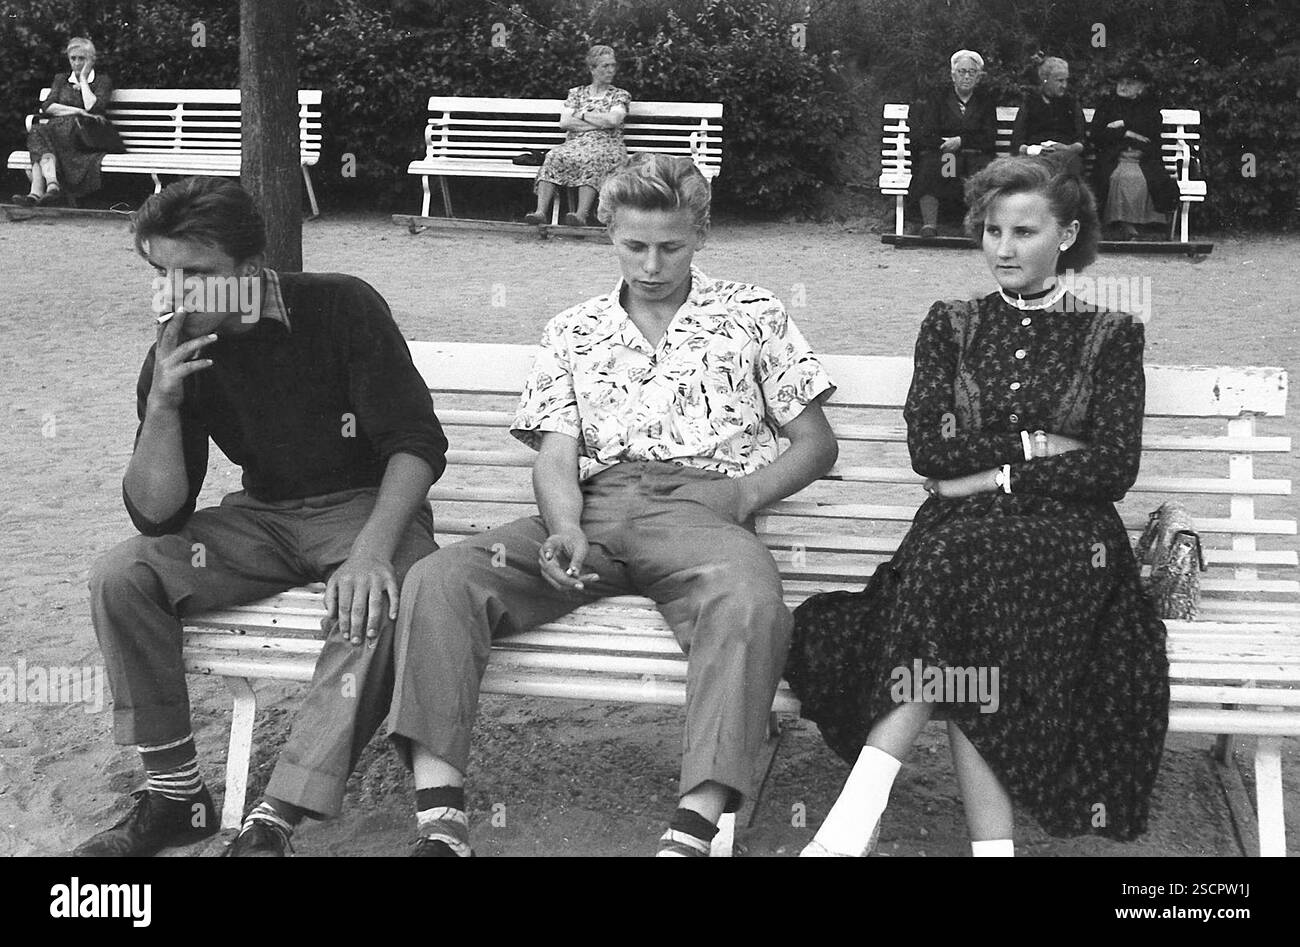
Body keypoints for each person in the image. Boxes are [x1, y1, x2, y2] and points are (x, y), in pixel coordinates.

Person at [389, 153, 839, 857]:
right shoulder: (574, 328)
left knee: (749, 600)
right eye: (635, 245)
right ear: (608, 233)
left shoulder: (753, 313)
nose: (652, 265)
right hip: (593, 508)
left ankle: (692, 829)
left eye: (672, 246)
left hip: (700, 511)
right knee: (441, 578)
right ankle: (440, 820)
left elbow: (816, 443)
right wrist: (564, 526)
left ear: (701, 234)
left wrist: (741, 494)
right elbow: (557, 453)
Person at [784, 155, 1169, 857]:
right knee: (964, 584)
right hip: (958, 535)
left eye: (1024, 231)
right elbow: (931, 450)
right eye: (992, 230)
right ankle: (986, 849)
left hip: (1067, 544)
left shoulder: (1111, 333)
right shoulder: (952, 324)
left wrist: (991, 477)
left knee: (959, 579)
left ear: (1067, 234)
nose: (1003, 247)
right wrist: (1040, 442)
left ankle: (848, 826)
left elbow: (1113, 468)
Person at [73, 176, 448, 857]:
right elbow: (158, 515)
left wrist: (371, 552)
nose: (176, 293)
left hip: (363, 510)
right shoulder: (178, 346)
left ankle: (275, 816)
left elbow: (416, 444)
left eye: (198, 274)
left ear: (251, 267)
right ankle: (176, 797)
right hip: (263, 519)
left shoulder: (339, 304)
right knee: (123, 574)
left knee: (381, 598)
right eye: (161, 273)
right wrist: (163, 405)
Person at [524, 45, 630, 227]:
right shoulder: (576, 93)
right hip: (575, 145)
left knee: (593, 158)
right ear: (592, 69)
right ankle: (540, 213)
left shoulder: (620, 95)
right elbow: (565, 122)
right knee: (554, 155)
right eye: (605, 66)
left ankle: (580, 215)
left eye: (613, 65)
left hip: (608, 146)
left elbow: (613, 120)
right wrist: (600, 122)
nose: (611, 70)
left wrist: (581, 114)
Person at [12, 37, 122, 207]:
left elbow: (93, 107)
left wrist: (83, 79)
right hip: (59, 136)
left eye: (82, 58)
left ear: (91, 60)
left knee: (43, 136)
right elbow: (47, 106)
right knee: (37, 130)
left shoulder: (102, 81)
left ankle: (38, 191)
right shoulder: (61, 79)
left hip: (84, 139)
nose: (76, 63)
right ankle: (50, 185)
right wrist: (77, 111)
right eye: (73, 58)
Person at [908, 49, 998, 238]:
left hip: (974, 155)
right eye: (962, 72)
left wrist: (962, 141)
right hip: (946, 155)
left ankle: (976, 227)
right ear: (953, 75)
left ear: (978, 77)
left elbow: (989, 137)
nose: (967, 76)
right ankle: (929, 224)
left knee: (984, 172)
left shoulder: (986, 101)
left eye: (972, 72)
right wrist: (947, 143)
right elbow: (928, 132)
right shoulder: (938, 99)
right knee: (931, 167)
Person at [1090, 62, 1178, 240]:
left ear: (1141, 87)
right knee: (1121, 177)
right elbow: (1097, 134)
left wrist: (1122, 124)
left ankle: (1144, 227)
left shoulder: (1150, 106)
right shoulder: (1107, 105)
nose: (1123, 87)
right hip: (1115, 158)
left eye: (1129, 83)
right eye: (1120, 82)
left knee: (1146, 179)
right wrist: (1128, 133)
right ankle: (1125, 226)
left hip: (1143, 159)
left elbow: (1152, 128)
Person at [1009, 56, 1086, 176]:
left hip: (1065, 156)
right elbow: (1017, 142)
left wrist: (1067, 148)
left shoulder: (1071, 103)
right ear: (1045, 80)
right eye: (1060, 81)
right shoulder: (1030, 103)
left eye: (1066, 80)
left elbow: (1081, 141)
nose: (1064, 85)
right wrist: (1034, 149)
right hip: (1035, 157)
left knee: (1070, 169)